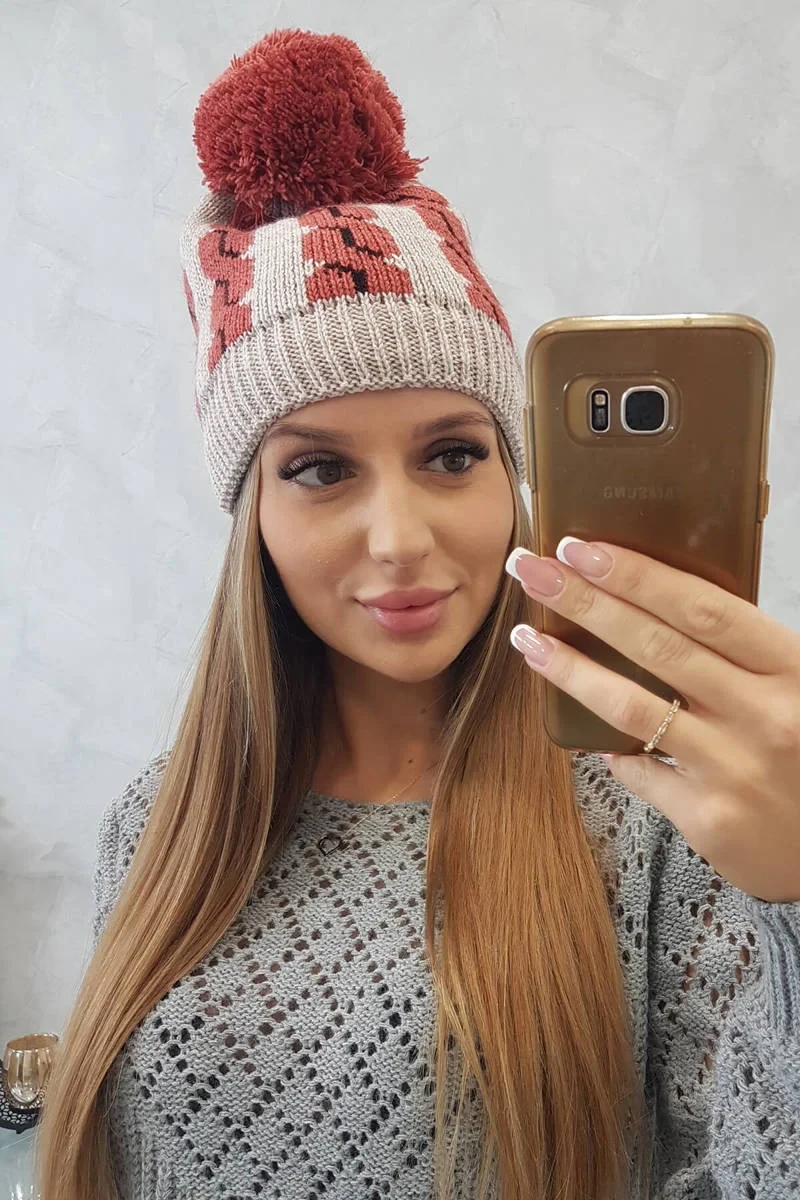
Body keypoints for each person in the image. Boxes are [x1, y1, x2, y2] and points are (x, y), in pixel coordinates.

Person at [35, 27, 799, 1200]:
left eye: (450, 455)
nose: (398, 537)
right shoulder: (152, 828)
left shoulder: (660, 818)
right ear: (251, 513)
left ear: (513, 477)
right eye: (318, 469)